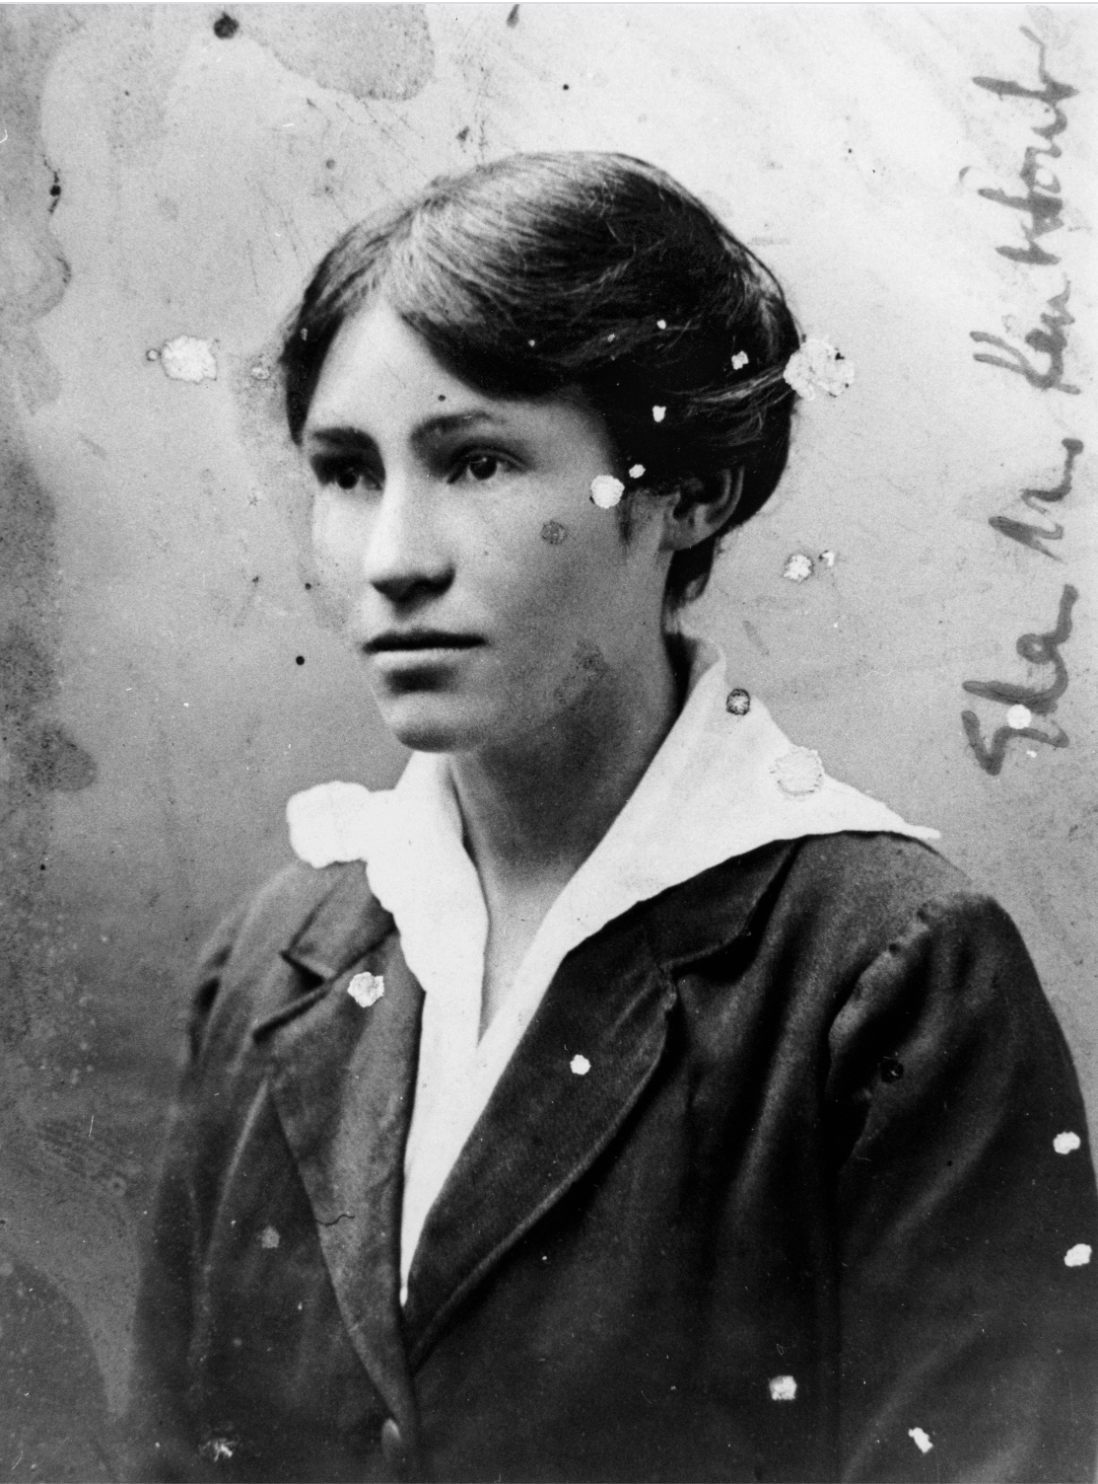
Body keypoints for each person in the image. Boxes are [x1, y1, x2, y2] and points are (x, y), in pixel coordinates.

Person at [125, 152, 1098, 1483]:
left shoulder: (885, 977)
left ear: (686, 489)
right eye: (345, 473)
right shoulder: (267, 967)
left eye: (476, 461)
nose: (394, 558)